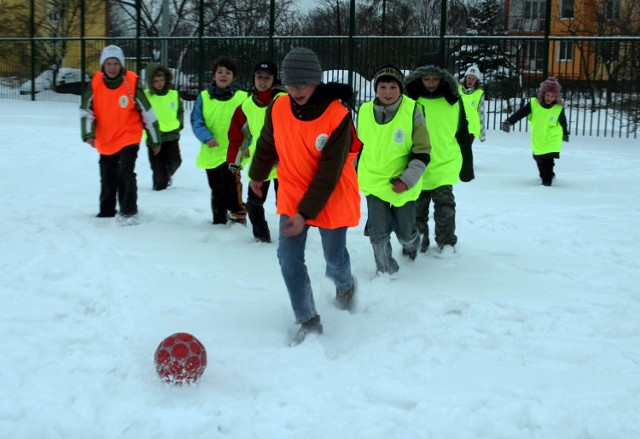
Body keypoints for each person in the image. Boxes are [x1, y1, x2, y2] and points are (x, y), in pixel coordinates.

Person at [248, 47, 361, 346]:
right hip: (293, 193)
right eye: (291, 83)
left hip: (331, 195)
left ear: (316, 81)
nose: (296, 89)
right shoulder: (278, 107)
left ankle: (345, 286)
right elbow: (266, 143)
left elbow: (328, 173)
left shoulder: (338, 115)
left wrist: (304, 214)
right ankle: (308, 320)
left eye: (303, 83)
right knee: (288, 257)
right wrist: (257, 175)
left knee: (334, 259)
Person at [356, 65, 431, 275]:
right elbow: (357, 147)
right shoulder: (363, 111)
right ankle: (386, 272)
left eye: (392, 87)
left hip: (402, 183)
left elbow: (423, 151)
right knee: (378, 235)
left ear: (400, 88)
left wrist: (407, 180)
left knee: (405, 234)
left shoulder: (412, 110)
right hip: (373, 181)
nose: (387, 92)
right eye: (382, 86)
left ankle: (413, 243)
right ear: (376, 88)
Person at [80, 44, 161, 220]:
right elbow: (86, 110)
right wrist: (88, 133)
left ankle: (128, 209)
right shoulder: (95, 84)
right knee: (107, 173)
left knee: (125, 171)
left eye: (116, 63)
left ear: (122, 65)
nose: (112, 67)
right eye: (108, 63)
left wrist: (155, 140)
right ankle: (107, 210)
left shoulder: (131, 83)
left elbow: (147, 112)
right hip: (106, 137)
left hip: (128, 135)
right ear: (103, 65)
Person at [404, 53, 475, 256]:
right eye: (426, 79)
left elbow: (463, 132)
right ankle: (416, 242)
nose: (431, 83)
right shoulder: (409, 102)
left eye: (435, 78)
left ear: (443, 78)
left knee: (445, 208)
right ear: (419, 79)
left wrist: (467, 166)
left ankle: (446, 241)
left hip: (444, 163)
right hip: (417, 166)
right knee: (417, 209)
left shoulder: (454, 101)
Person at [227, 60, 284, 243]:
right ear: (254, 78)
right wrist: (235, 162)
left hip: (285, 164)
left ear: (274, 80)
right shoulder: (246, 106)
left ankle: (291, 238)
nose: (263, 81)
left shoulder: (284, 100)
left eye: (267, 78)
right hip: (261, 165)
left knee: (287, 205)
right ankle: (261, 239)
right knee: (253, 203)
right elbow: (239, 137)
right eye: (259, 77)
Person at [191, 57, 249, 224]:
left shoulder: (242, 97)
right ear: (214, 75)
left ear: (234, 77)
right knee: (216, 188)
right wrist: (207, 137)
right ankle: (219, 219)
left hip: (234, 152)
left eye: (228, 73)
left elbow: (249, 123)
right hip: (212, 152)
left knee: (232, 186)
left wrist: (246, 144)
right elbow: (197, 120)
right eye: (220, 72)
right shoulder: (203, 97)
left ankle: (238, 215)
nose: (223, 75)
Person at [501, 76, 569, 186]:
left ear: (556, 97)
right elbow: (520, 113)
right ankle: (548, 174)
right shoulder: (534, 104)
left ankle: (547, 182)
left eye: (552, 96)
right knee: (540, 159)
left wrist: (565, 133)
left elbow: (563, 122)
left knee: (548, 160)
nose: (549, 98)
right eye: (547, 95)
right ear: (543, 94)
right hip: (538, 137)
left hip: (552, 139)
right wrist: (509, 122)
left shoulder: (558, 109)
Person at [144, 63, 184, 191]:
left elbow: (180, 111)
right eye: (156, 81)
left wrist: (179, 125)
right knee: (157, 166)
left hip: (172, 134)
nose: (160, 83)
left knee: (176, 161)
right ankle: (159, 189)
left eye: (162, 80)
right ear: (151, 82)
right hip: (154, 137)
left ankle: (165, 176)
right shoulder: (147, 95)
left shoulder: (173, 94)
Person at [458, 64, 486, 146]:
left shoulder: (479, 94)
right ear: (466, 78)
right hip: (457, 127)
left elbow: (481, 114)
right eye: (469, 77)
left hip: (470, 130)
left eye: (473, 79)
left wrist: (482, 134)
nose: (470, 80)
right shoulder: (457, 89)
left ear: (476, 80)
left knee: (464, 153)